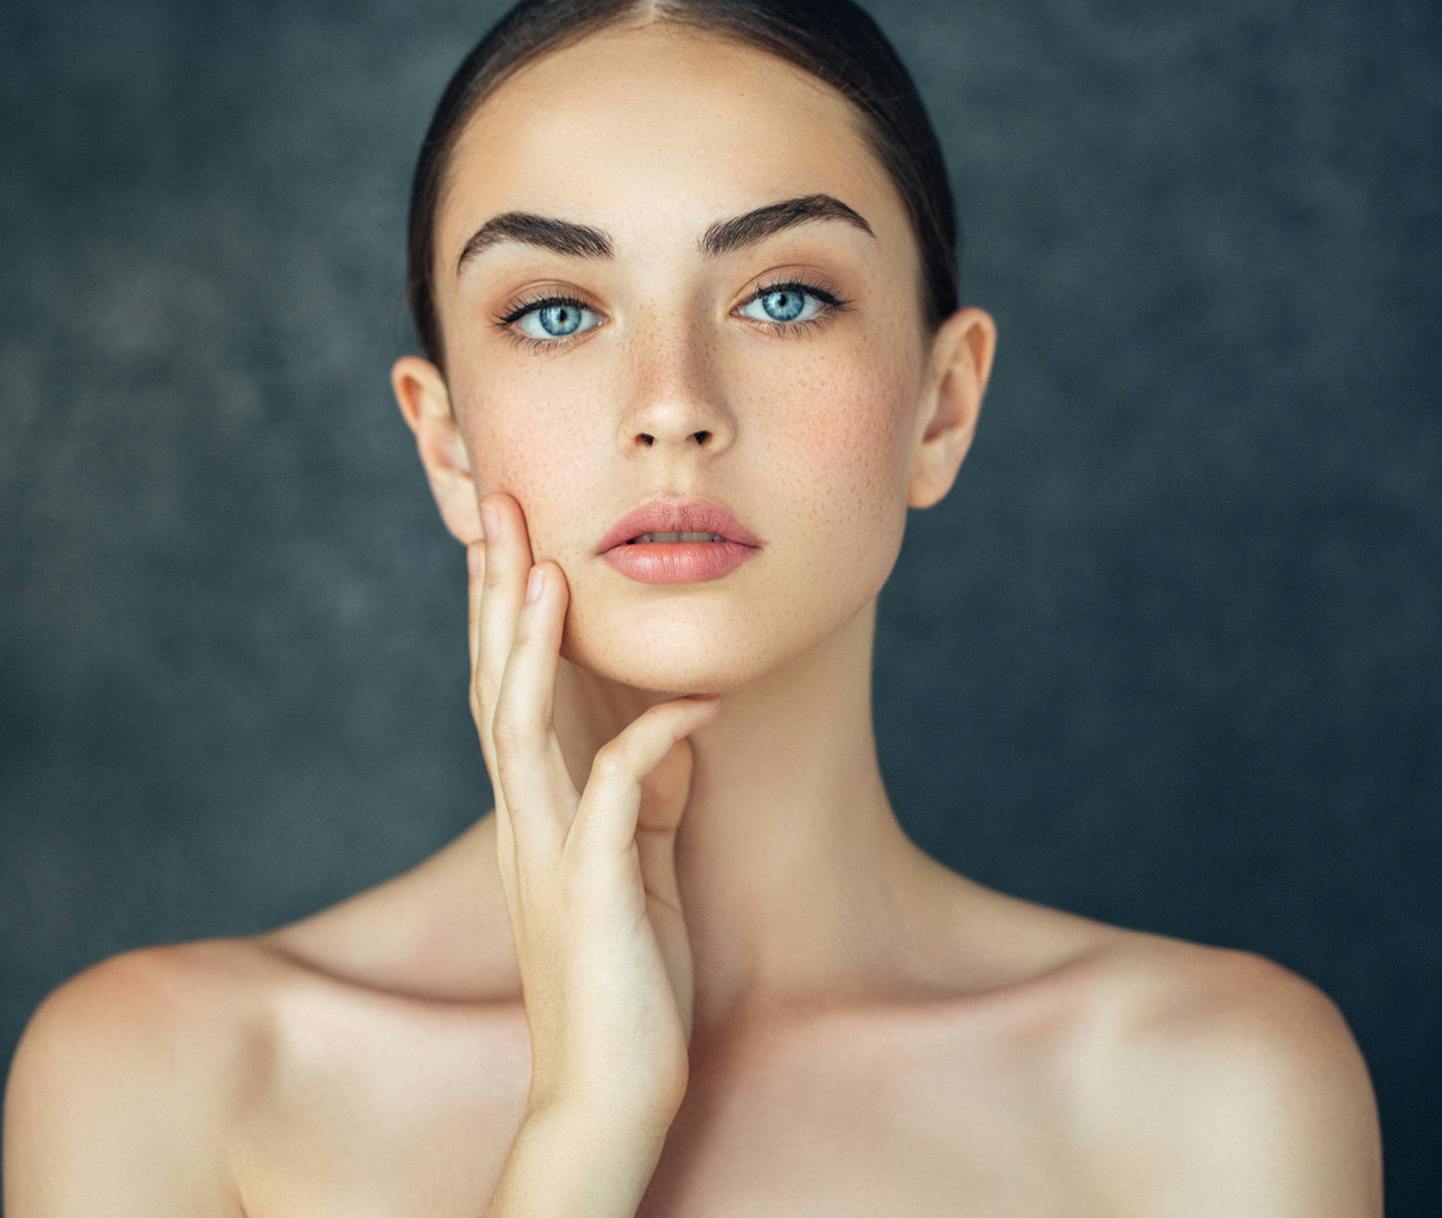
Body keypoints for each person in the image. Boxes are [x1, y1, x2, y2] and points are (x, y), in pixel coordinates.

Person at [3, 2, 1383, 1214]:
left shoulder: (1209, 1088)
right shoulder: (167, 1078)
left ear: (940, 406)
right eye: (554, 311)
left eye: (783, 296)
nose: (671, 403)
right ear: (446, 444)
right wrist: (581, 1131)